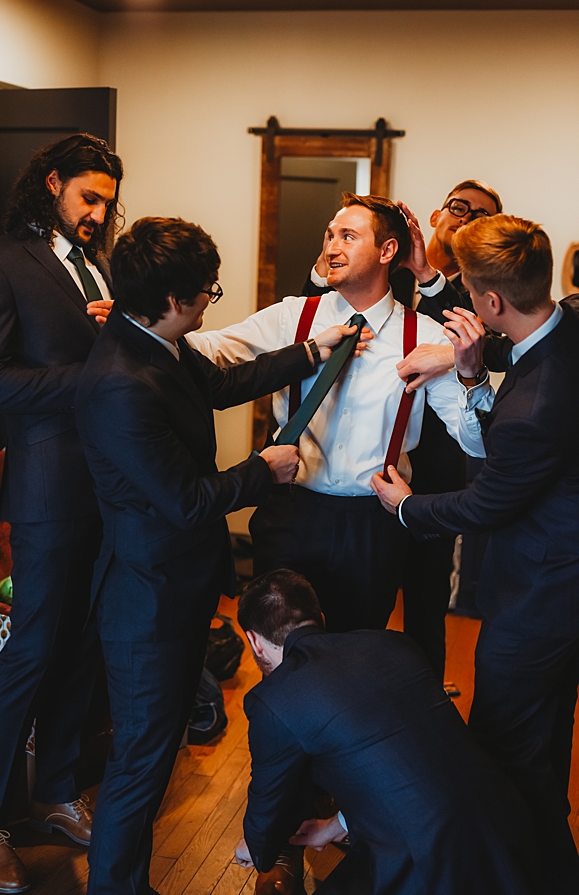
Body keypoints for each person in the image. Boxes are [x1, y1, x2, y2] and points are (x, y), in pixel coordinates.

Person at [76, 216, 375, 895]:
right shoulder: (120, 380)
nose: (212, 299)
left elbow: (214, 386)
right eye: (207, 288)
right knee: (140, 762)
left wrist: (311, 350)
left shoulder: (153, 340)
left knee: (158, 753)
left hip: (175, 585)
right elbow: (183, 500)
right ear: (175, 297)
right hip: (143, 599)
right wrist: (262, 469)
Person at [372, 214, 579, 887]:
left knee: (502, 745)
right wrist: (465, 367)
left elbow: (486, 503)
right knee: (541, 750)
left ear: (491, 303)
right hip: (560, 578)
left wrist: (405, 506)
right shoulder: (568, 322)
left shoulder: (537, 403)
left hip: (541, 596)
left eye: (466, 289)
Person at [185, 194, 490, 635]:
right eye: (330, 235)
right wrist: (139, 324)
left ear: (387, 251)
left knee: (356, 652)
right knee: (279, 649)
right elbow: (210, 351)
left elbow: (476, 441)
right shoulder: (294, 316)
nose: (332, 246)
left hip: (372, 526)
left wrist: (470, 373)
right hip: (291, 512)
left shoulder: (424, 334)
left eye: (348, 236)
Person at [0, 134, 122, 891]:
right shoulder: (3, 260)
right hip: (43, 488)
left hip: (105, 484)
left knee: (82, 642)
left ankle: (59, 789)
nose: (98, 214)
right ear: (54, 183)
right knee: (31, 647)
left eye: (106, 202)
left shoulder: (98, 265)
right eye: (88, 197)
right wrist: (94, 373)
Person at [299, 183, 503, 685]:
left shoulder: (469, 285)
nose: (467, 218)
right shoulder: (370, 265)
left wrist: (427, 275)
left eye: (482, 215)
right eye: (460, 207)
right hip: (366, 470)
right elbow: (317, 313)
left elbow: (469, 340)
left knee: (428, 591)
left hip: (436, 464)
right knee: (353, 603)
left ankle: (423, 691)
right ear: (435, 215)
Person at [233, 569, 537, 895]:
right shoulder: (394, 642)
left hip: (432, 866)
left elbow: (269, 799)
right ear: (319, 617)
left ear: (254, 640)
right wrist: (337, 826)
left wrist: (255, 845)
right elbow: (411, 764)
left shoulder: (274, 698)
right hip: (513, 826)